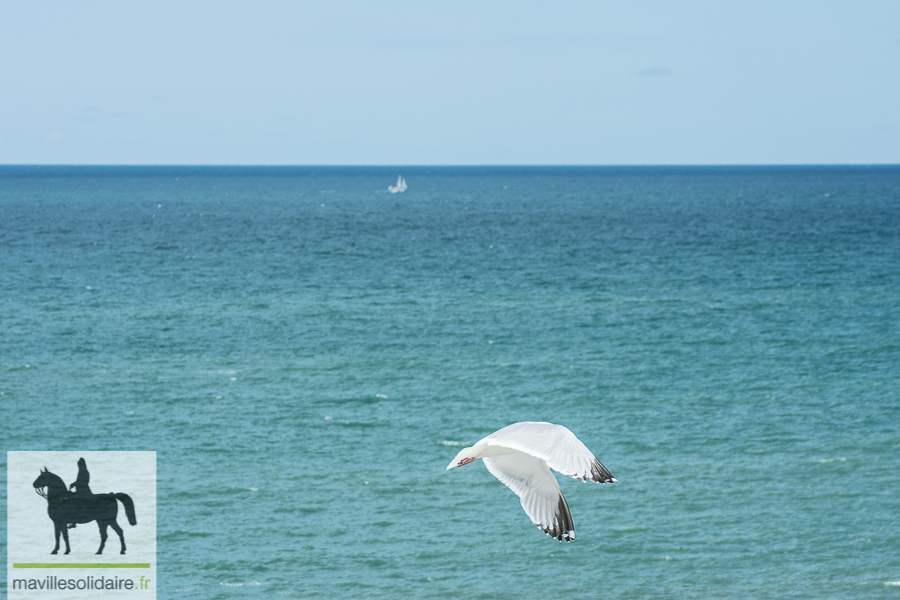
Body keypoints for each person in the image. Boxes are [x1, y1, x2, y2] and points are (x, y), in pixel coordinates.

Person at [67, 457, 92, 528]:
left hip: (83, 491)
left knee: (73, 502)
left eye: (79, 465)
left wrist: (74, 484)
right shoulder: (83, 471)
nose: (78, 467)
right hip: (81, 490)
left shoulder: (83, 471)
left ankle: (73, 521)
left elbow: (82, 482)